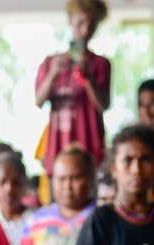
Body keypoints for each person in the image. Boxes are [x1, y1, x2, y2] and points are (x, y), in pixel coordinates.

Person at [35, 0, 111, 176]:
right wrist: (53, 74)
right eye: (81, 23)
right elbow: (38, 101)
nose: (85, 30)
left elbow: (103, 105)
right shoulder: (50, 63)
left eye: (92, 25)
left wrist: (88, 77)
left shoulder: (100, 64)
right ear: (70, 21)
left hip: (91, 150)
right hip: (58, 150)